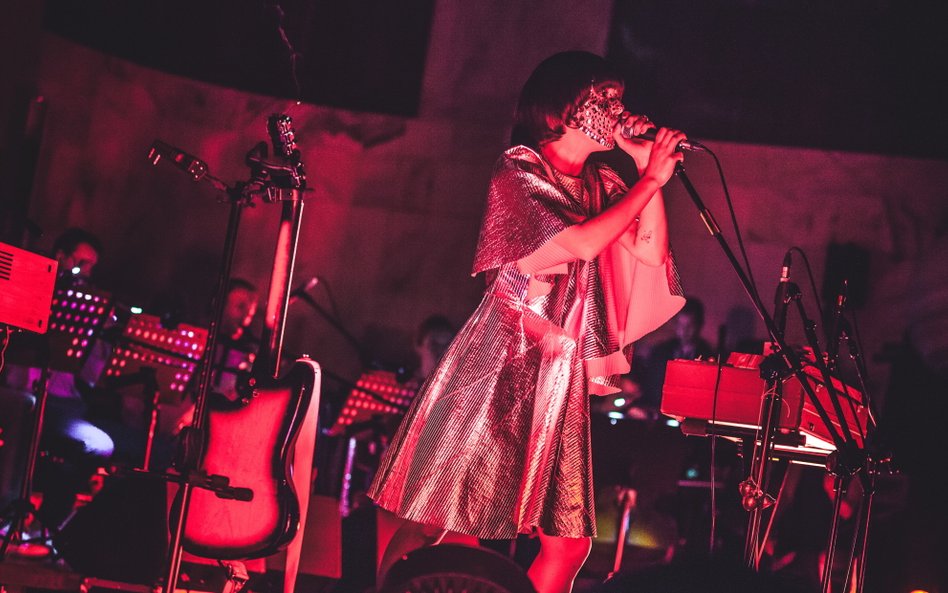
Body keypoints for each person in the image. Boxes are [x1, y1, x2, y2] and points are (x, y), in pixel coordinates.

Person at [367, 51, 688, 593]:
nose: (619, 109)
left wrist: (646, 177)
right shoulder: (519, 169)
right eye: (604, 98)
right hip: (500, 363)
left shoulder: (602, 181)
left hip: (557, 376)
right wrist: (648, 181)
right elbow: (579, 243)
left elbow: (651, 252)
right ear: (561, 110)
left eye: (619, 98)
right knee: (444, 524)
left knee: (569, 543)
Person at [0, 228, 114, 543]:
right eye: (81, 262)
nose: (85, 272)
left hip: (62, 403)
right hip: (20, 392)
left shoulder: (83, 306)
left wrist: (99, 338)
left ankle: (50, 527)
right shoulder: (29, 291)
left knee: (98, 444)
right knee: (25, 410)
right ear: (60, 257)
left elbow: (90, 377)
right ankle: (6, 512)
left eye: (91, 267)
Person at [632, 296, 714, 412]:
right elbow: (651, 386)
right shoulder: (660, 352)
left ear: (699, 325)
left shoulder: (709, 357)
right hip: (659, 413)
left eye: (690, 325)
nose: (684, 331)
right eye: (681, 325)